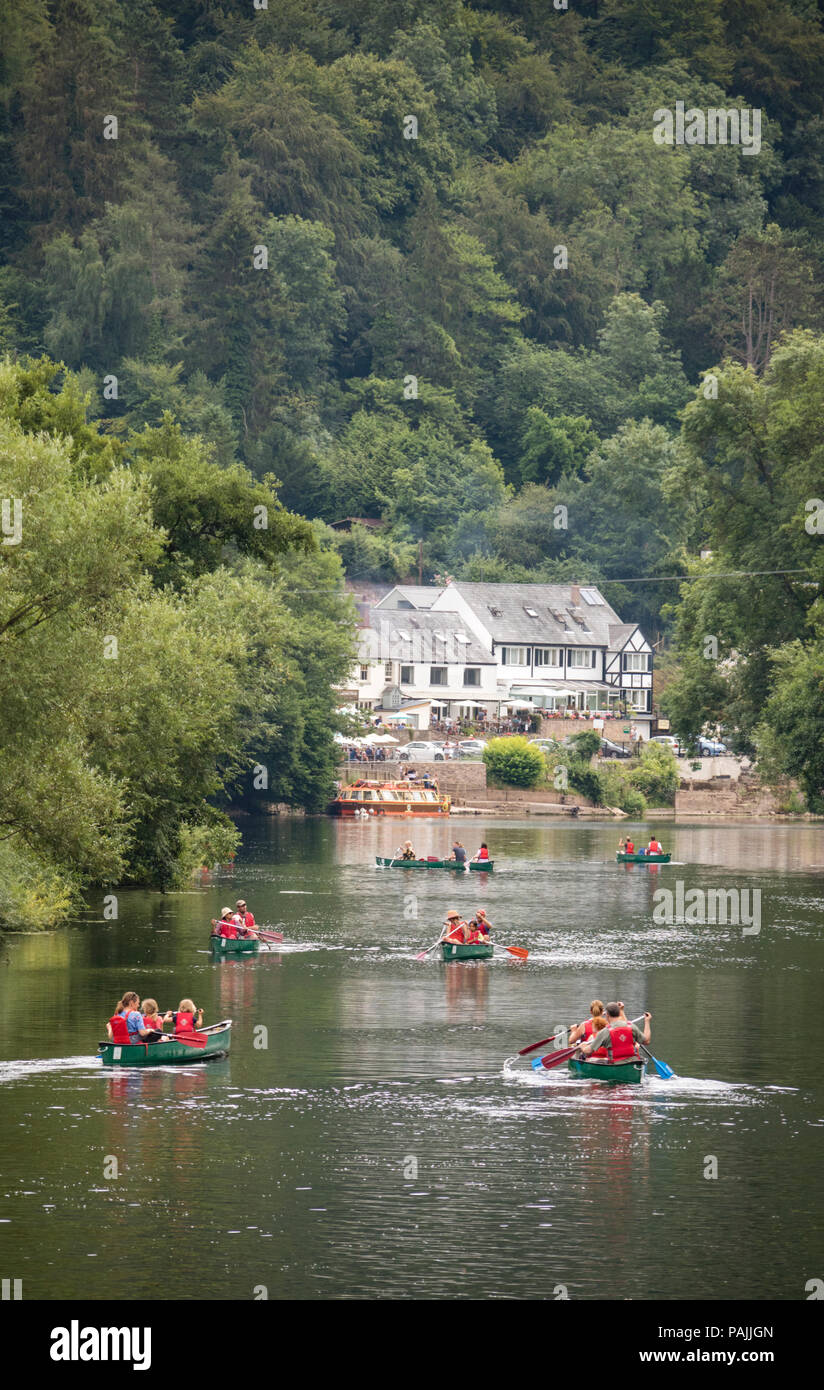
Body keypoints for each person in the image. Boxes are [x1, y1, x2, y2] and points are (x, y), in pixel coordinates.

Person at [578, 1003, 651, 1063]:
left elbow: (588, 1051)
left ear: (607, 1015)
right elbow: (647, 1041)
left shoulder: (605, 1032)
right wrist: (647, 1021)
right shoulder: (631, 1026)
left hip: (616, 1064)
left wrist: (582, 1047)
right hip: (633, 1063)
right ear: (619, 1013)